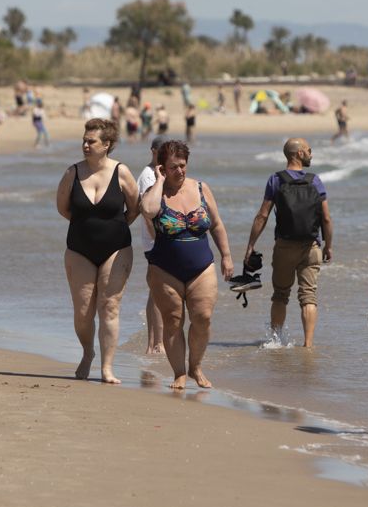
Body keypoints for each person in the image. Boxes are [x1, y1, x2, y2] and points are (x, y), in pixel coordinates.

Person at [141, 140, 234, 389]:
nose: (180, 171)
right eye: (173, 167)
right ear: (162, 168)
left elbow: (215, 224)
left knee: (202, 317)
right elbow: (148, 211)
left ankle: (196, 367)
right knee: (173, 321)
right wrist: (160, 182)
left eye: (182, 165)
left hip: (202, 267)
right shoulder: (154, 192)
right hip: (164, 269)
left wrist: (226, 255)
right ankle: (179, 373)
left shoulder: (201, 188)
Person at [55, 119, 140, 384]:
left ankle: (107, 367)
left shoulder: (122, 172)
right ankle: (87, 352)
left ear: (107, 145)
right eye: (84, 140)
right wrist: (87, 227)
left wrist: (113, 227)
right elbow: (63, 209)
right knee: (83, 312)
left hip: (117, 249)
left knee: (110, 307)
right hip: (79, 249)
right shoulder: (72, 173)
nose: (85, 145)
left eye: (91, 141)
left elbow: (135, 207)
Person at [244, 138, 333, 347]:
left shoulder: (276, 180)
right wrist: (328, 245)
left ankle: (276, 341)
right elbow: (326, 218)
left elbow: (262, 216)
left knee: (281, 294)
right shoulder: (315, 181)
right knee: (308, 296)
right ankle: (308, 345)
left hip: (284, 246)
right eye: (309, 150)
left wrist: (250, 245)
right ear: (299, 153)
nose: (311, 153)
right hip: (311, 246)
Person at [136, 136, 167, 354]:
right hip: (154, 241)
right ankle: (158, 344)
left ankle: (152, 344)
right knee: (158, 291)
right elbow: (148, 214)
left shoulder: (158, 174)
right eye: (162, 151)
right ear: (153, 151)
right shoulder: (148, 176)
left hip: (158, 240)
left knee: (154, 291)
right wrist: (158, 240)